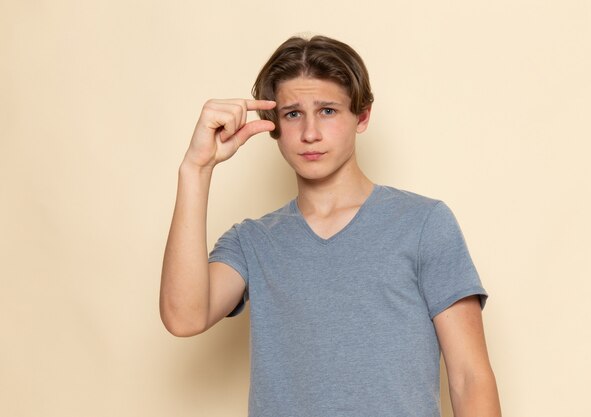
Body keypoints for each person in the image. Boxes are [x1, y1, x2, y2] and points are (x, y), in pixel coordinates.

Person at [160, 35, 501, 417]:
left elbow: (469, 377)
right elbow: (184, 317)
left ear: (362, 116)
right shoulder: (252, 241)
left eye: (327, 111)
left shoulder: (423, 224)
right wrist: (196, 169)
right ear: (273, 127)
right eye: (292, 114)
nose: (310, 133)